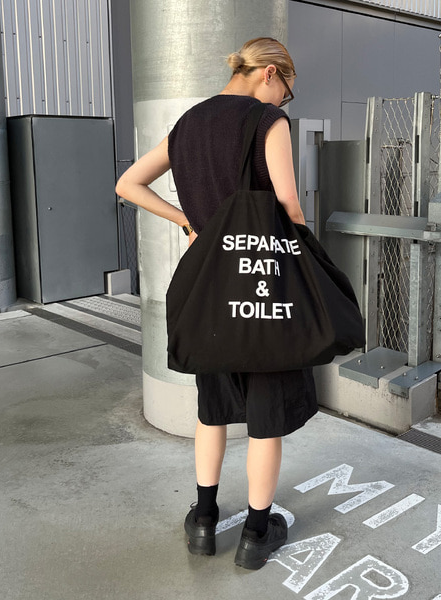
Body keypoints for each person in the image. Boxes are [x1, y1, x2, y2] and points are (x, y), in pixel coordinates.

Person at [115, 37, 318, 570]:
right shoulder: (268, 122)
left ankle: (203, 520)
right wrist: (310, 265)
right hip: (263, 286)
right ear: (270, 72)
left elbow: (128, 184)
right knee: (266, 414)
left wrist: (189, 221)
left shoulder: (187, 125)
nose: (283, 101)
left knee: (213, 408)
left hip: (208, 287)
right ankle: (256, 534)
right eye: (286, 90)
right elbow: (290, 205)